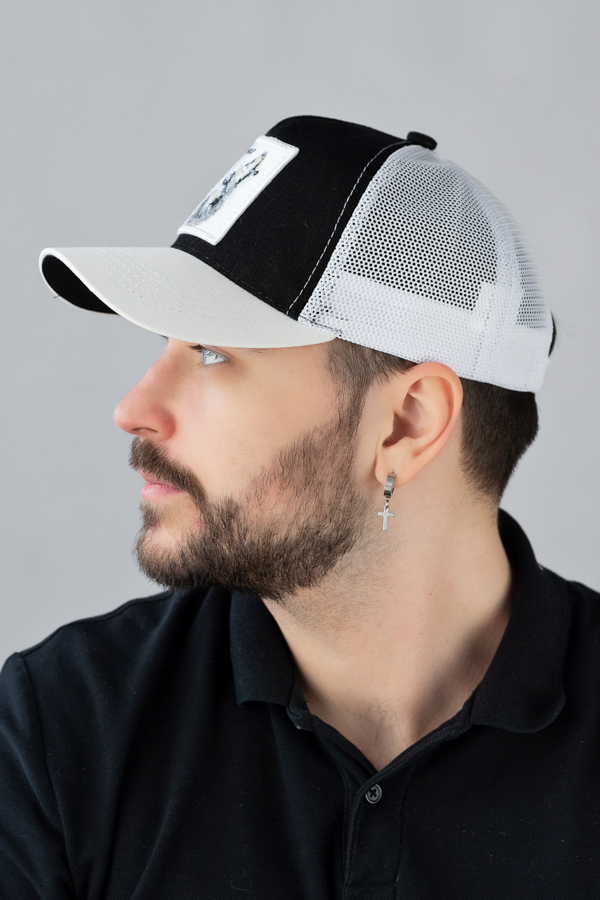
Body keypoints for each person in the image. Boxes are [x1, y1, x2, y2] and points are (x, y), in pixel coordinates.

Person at [1, 115, 598, 899]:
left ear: (407, 422)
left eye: (212, 351)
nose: (134, 409)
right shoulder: (64, 728)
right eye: (165, 346)